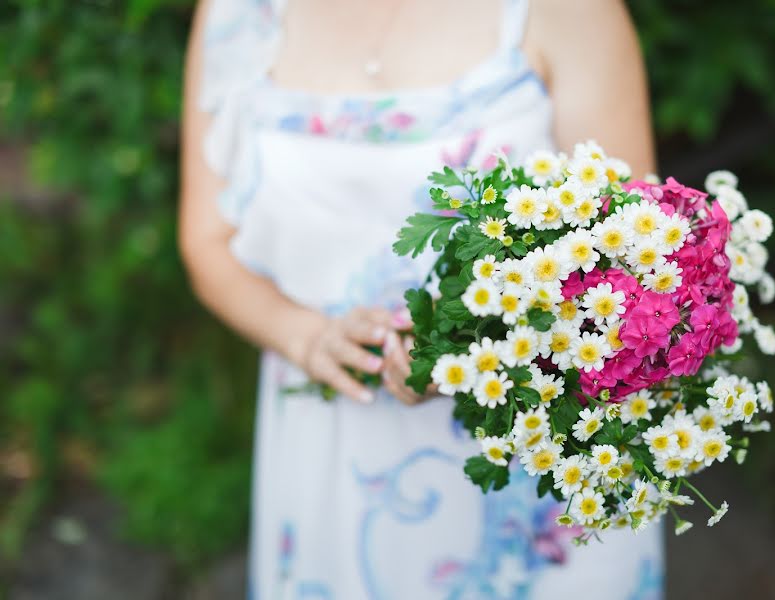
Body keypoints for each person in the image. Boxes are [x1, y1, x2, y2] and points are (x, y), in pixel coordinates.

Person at [179, 0, 661, 597]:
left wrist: (468, 349)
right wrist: (306, 337)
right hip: (331, 436)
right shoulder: (238, 15)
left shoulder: (566, 11)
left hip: (528, 450)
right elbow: (207, 241)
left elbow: (636, 258)